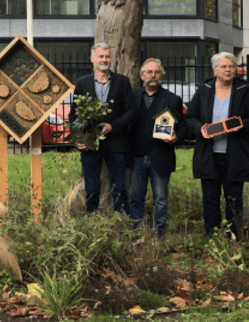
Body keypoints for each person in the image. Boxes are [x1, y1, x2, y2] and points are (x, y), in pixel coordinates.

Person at [186, 52, 249, 239]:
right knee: (209, 197)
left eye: (232, 66)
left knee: (233, 198)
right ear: (215, 69)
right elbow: (190, 118)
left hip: (235, 155)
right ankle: (212, 234)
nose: (228, 70)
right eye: (224, 67)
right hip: (208, 155)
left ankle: (232, 236)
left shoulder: (244, 90)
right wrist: (200, 128)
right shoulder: (204, 89)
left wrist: (239, 125)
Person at [69, 42, 137, 215]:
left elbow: (132, 111)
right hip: (90, 144)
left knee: (119, 188)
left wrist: (113, 126)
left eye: (107, 56)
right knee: (91, 189)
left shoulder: (122, 82)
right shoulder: (82, 83)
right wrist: (78, 139)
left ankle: (121, 224)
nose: (104, 60)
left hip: (116, 142)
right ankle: (93, 224)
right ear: (92, 59)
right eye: (101, 56)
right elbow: (74, 115)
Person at [128, 58, 187, 238]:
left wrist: (177, 136)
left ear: (161, 75)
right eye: (149, 72)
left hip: (161, 155)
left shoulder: (172, 99)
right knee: (135, 198)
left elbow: (184, 126)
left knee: (160, 199)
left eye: (157, 72)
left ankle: (157, 235)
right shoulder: (132, 97)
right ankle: (137, 234)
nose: (153, 76)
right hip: (137, 156)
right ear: (142, 75)